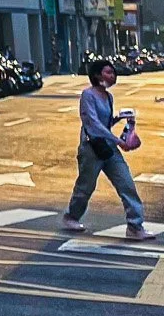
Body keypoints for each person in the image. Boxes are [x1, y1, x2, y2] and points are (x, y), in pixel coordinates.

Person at [61, 59, 157, 239]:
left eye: (113, 73)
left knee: (126, 183)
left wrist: (119, 118)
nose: (112, 76)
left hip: (108, 147)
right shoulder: (88, 95)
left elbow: (104, 123)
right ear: (97, 75)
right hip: (92, 147)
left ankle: (135, 226)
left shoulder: (108, 96)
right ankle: (72, 216)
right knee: (86, 186)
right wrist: (118, 141)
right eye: (108, 72)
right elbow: (93, 124)